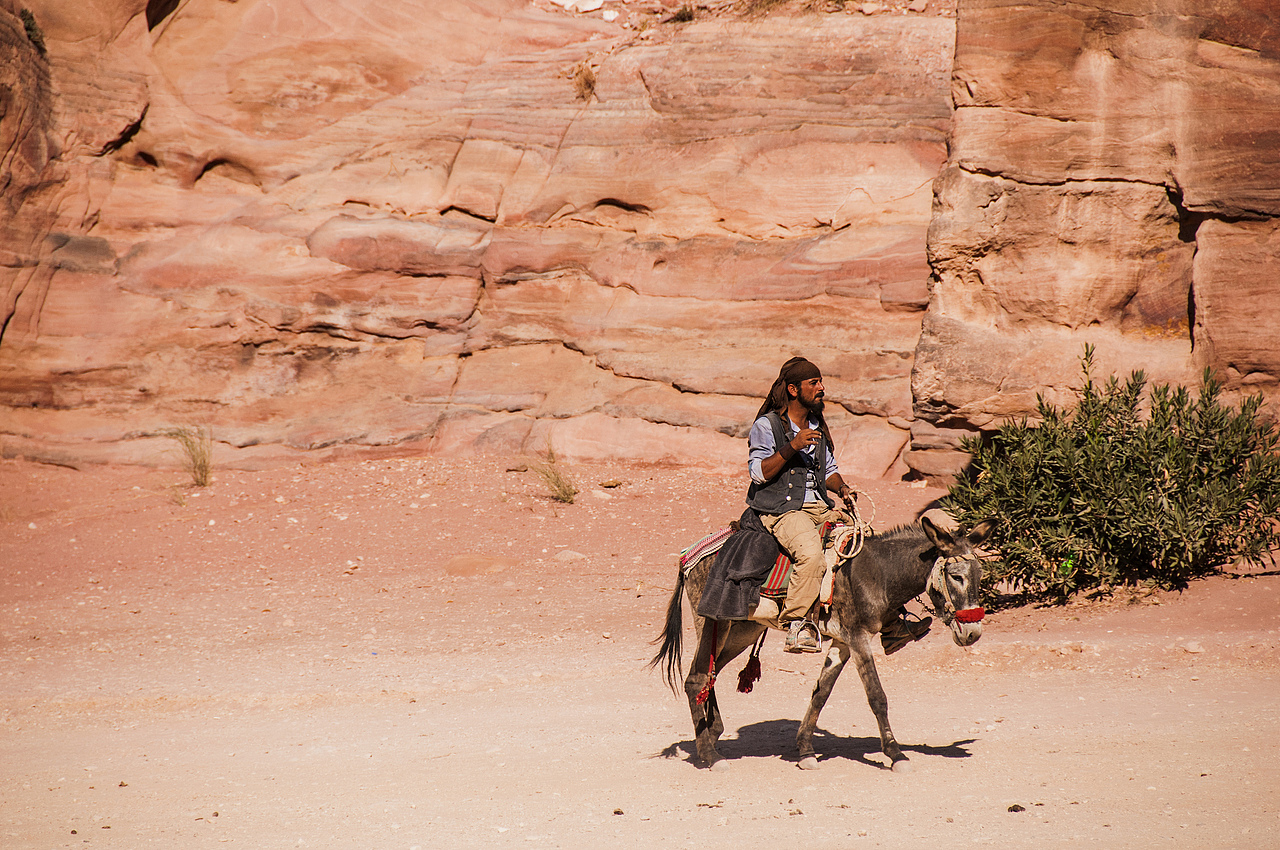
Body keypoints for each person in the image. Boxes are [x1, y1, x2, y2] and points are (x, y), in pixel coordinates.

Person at [747, 357, 930, 654]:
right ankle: (797, 625)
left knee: (867, 547)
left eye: (821, 381)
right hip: (781, 510)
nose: (821, 388)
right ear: (793, 390)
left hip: (819, 507)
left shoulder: (816, 424)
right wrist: (792, 446)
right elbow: (758, 472)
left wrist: (842, 488)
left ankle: (891, 625)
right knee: (811, 556)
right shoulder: (767, 426)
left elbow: (828, 471)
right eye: (814, 383)